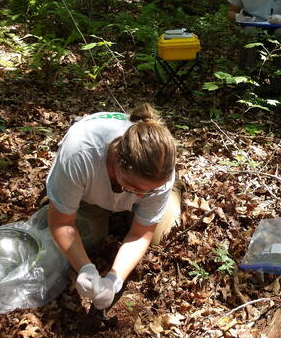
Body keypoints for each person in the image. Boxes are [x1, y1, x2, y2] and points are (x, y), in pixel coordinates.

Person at [46, 103, 181, 311]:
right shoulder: (80, 154)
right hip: (91, 190)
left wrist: (114, 279)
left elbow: (141, 232)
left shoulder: (162, 172)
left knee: (162, 234)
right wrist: (85, 268)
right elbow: (61, 223)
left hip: (122, 184)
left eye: (149, 190)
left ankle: (171, 194)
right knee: (90, 233)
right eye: (134, 186)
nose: (140, 195)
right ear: (117, 159)